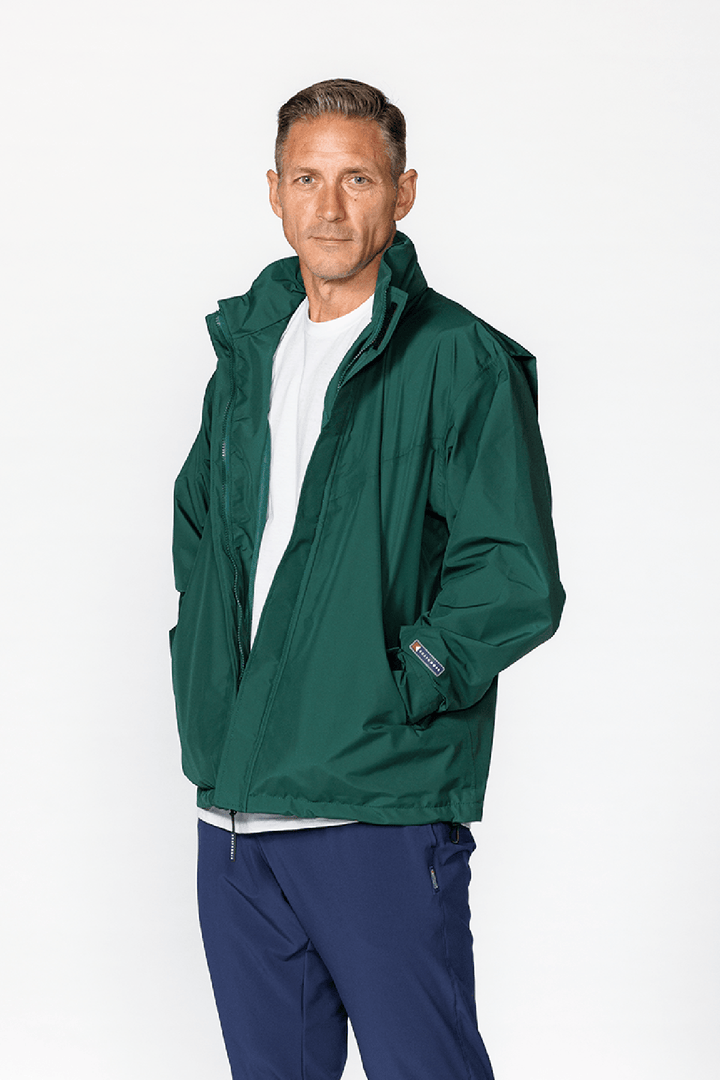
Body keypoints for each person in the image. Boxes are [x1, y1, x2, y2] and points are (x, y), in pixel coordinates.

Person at [171, 78, 564, 1080]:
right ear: (274, 191)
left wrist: (402, 683)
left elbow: (513, 573)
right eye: (307, 178)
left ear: (403, 192)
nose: (330, 207)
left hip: (375, 806)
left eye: (358, 179)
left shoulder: (458, 358)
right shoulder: (247, 355)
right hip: (235, 814)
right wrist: (202, 677)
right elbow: (201, 534)